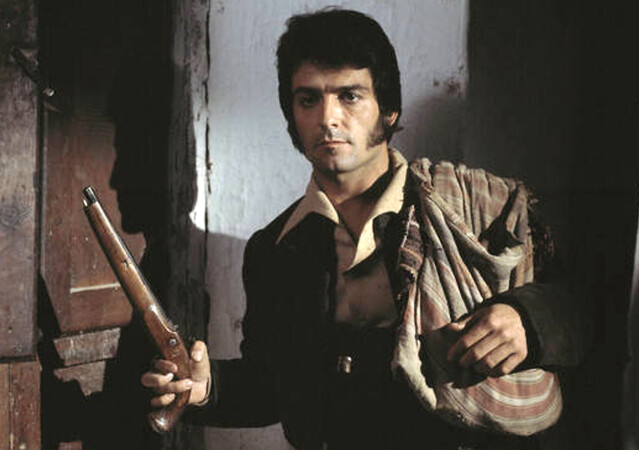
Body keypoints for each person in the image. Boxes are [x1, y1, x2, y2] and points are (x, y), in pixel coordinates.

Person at [142, 8, 586, 450]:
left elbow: (586, 309)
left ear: (388, 110)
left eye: (350, 96)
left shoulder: (470, 210)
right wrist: (207, 387)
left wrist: (527, 321)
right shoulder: (274, 250)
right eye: (308, 100)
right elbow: (273, 387)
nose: (328, 118)